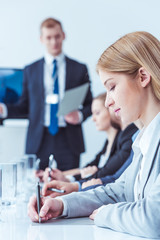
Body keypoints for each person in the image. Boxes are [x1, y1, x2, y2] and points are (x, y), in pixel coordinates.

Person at [28, 31, 160, 238]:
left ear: (143, 77)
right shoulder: (144, 139)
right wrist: (62, 204)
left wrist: (104, 214)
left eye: (112, 87)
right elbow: (117, 191)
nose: (108, 102)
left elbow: (154, 219)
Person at [0, 17, 92, 170]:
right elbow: (24, 106)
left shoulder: (79, 69)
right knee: (37, 186)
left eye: (57, 36)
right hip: (39, 139)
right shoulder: (31, 70)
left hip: (69, 140)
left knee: (69, 186)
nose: (54, 42)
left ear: (64, 35)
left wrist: (80, 115)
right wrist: (5, 109)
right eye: (49, 38)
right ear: (41, 39)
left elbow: (91, 103)